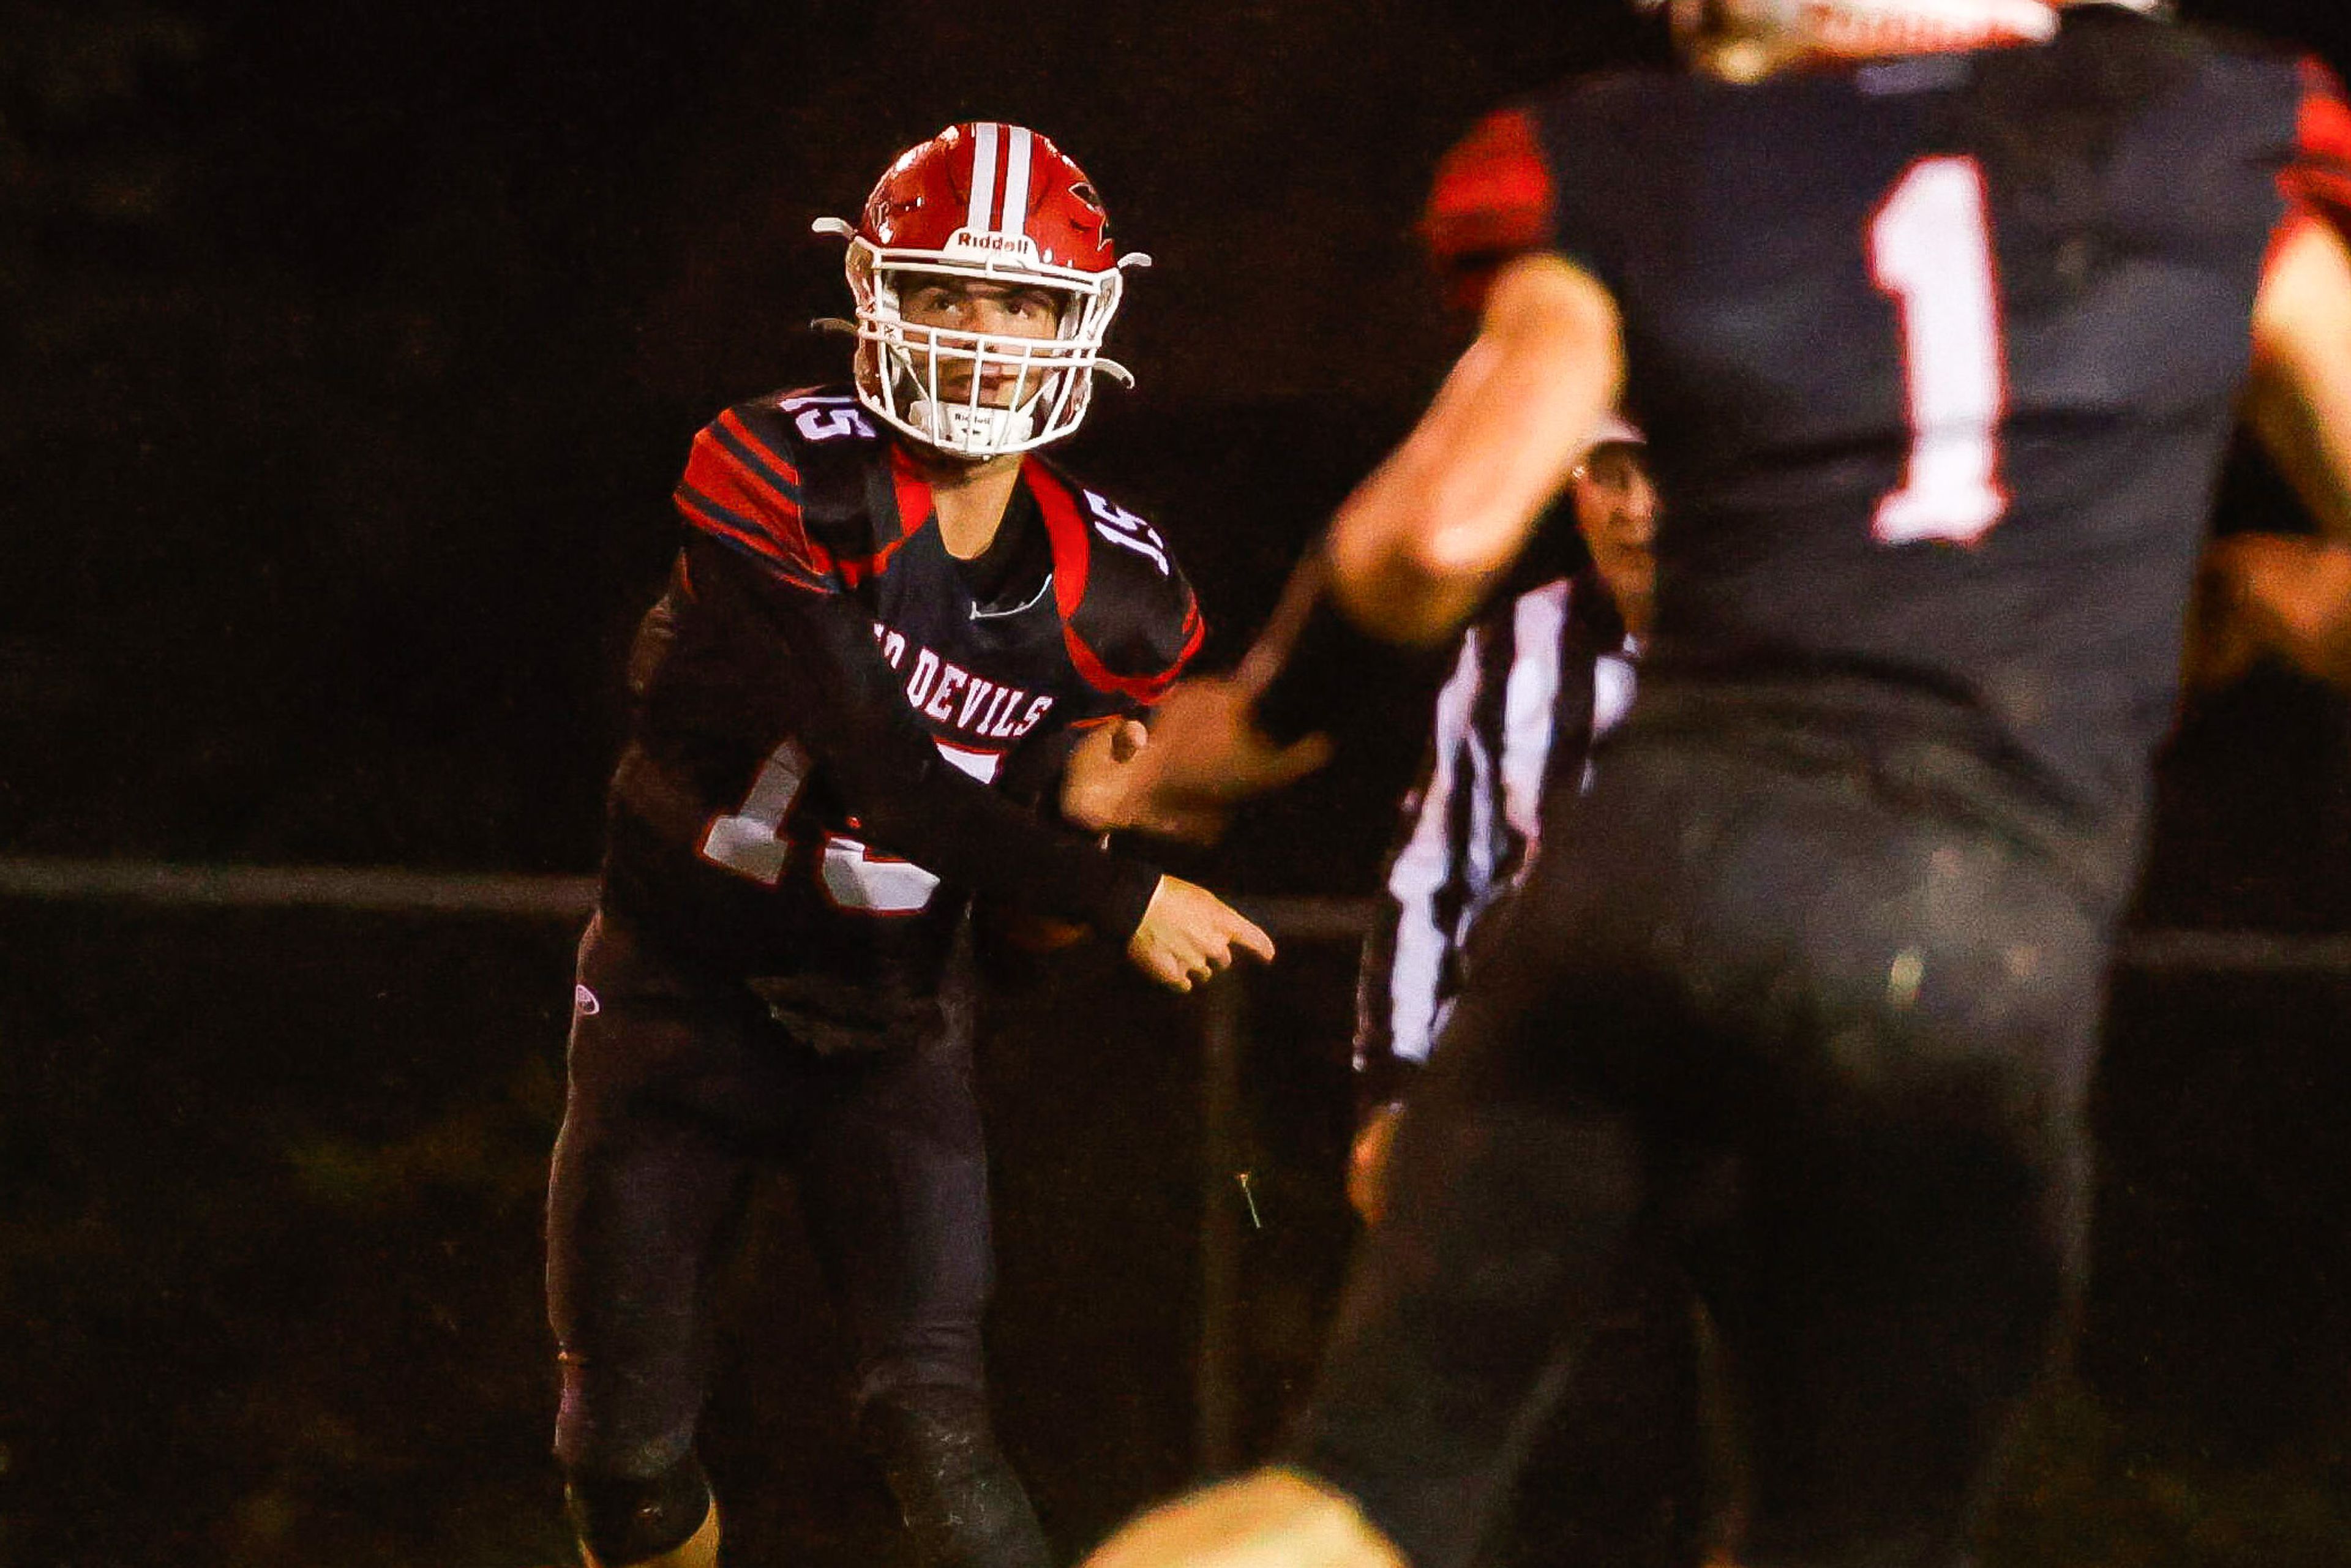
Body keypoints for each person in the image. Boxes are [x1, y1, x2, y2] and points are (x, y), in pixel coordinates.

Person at [1084, 3, 2351, 1566]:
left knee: (1357, 1499)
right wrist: (2241, 595)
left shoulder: (1640, 156)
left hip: (1647, 880)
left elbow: (1430, 537)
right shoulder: (2211, 145)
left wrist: (1259, 727)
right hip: (1966, 940)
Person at [546, 122, 1276, 1568]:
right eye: (950, 293)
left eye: (1021, 303)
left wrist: (1086, 826)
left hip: (888, 1034)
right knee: (625, 1464)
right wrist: (1114, 886)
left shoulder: (1121, 594)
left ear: (1082, 324)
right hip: (670, 1005)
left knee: (939, 1438)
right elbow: (888, 773)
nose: (985, 336)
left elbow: (1022, 895)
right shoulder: (775, 467)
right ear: (877, 292)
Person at [1351, 423, 1720, 1568]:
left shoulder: (1800, 645)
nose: (1637, 507)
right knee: (1554, 1483)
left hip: (1743, 1129)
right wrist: (1394, 1090)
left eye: (1663, 469)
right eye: (1610, 474)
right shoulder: (1515, 647)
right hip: (1550, 1124)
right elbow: (1431, 875)